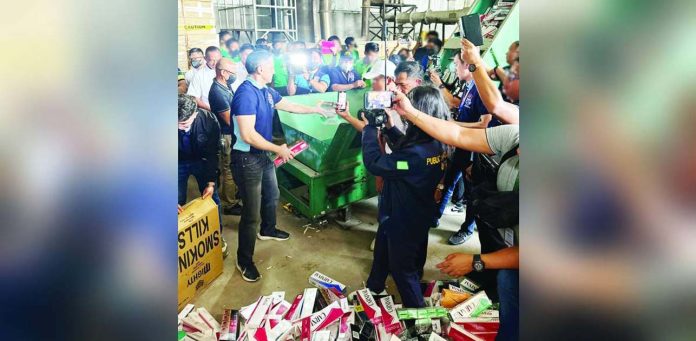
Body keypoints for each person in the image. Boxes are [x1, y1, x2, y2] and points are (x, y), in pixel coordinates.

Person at [229, 50, 334, 282]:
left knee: (272, 195)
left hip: (263, 155)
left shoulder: (265, 90)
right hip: (247, 160)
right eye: (271, 67)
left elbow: (287, 104)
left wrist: (315, 109)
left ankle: (268, 230)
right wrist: (279, 149)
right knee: (250, 213)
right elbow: (247, 135)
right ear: (259, 69)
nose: (274, 70)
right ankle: (244, 260)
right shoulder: (246, 94)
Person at [359, 86, 449, 308]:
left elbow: (376, 163)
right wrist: (389, 128)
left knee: (402, 270)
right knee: (384, 247)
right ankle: (374, 286)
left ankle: (420, 320)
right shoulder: (436, 141)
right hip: (416, 212)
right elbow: (407, 153)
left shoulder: (412, 156)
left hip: (402, 218)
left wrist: (370, 129)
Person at [178, 94, 229, 258]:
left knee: (211, 199)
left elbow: (212, 154)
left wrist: (211, 182)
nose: (179, 127)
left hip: (202, 160)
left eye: (184, 123)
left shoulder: (209, 120)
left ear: (195, 113)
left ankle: (216, 235)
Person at [208, 58, 243, 216]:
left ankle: (232, 194)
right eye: (232, 72)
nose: (234, 75)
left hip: (231, 133)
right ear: (222, 72)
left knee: (232, 167)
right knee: (228, 168)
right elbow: (229, 119)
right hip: (226, 135)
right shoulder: (217, 92)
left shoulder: (225, 85)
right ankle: (229, 203)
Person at [187, 46, 221, 111]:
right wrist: (211, 109)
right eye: (211, 60)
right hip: (210, 111)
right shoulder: (198, 75)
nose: (215, 63)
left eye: (217, 60)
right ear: (205, 58)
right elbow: (194, 97)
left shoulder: (226, 69)